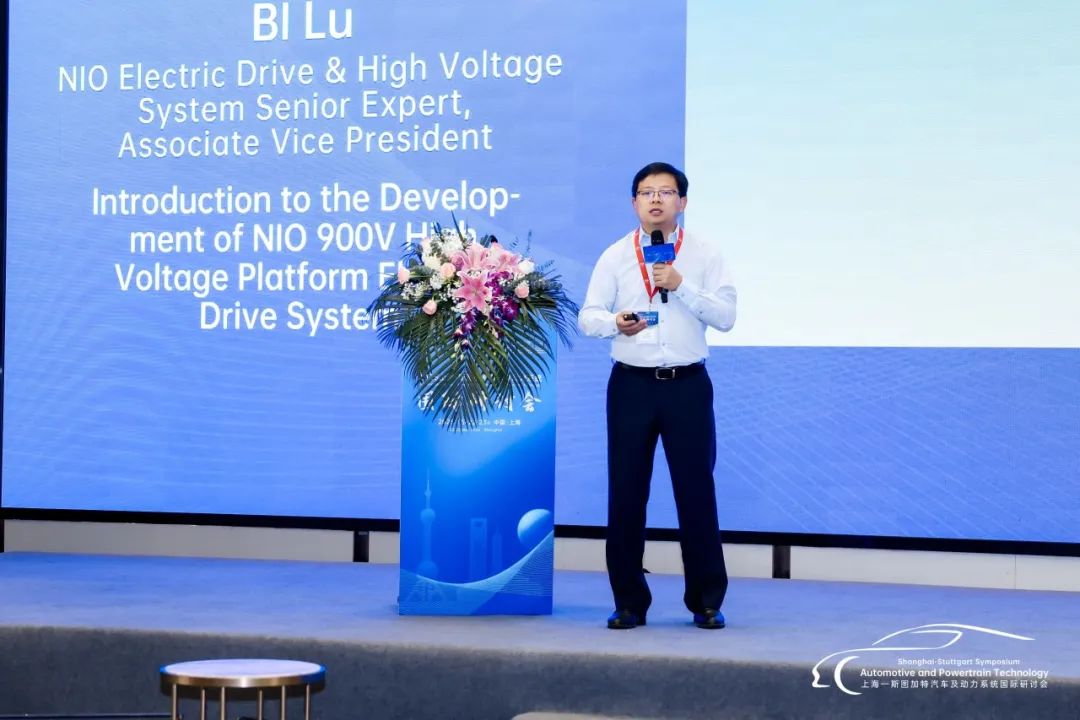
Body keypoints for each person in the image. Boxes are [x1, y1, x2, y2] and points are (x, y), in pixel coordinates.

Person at [578, 162, 736, 630]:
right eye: (646, 192)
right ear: (634, 203)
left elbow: (726, 317)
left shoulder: (705, 253)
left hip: (687, 385)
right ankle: (629, 602)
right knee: (627, 493)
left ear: (682, 202)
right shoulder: (615, 256)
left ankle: (706, 601)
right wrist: (614, 322)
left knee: (696, 492)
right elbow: (588, 316)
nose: (655, 200)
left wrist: (681, 286)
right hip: (631, 386)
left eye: (665, 192)